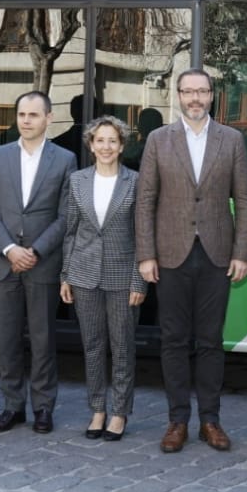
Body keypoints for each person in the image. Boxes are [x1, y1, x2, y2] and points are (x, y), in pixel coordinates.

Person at [134, 67, 247, 454]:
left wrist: (242, 252)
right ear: (178, 96)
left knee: (210, 341)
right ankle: (177, 420)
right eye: (188, 92)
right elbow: (145, 200)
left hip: (218, 254)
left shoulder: (232, 139)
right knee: (172, 341)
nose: (195, 98)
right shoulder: (157, 139)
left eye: (202, 91)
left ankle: (211, 420)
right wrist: (146, 254)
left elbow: (246, 200)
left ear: (212, 95)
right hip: (170, 253)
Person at [0, 90, 75, 434]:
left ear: (49, 118)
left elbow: (66, 214)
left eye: (34, 115)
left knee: (43, 338)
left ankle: (44, 407)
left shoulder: (65, 159)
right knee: (6, 339)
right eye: (21, 115)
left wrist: (35, 251)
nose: (26, 121)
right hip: (2, 262)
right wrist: (9, 248)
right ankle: (12, 405)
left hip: (42, 262)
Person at [60, 115, 146, 441]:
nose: (106, 146)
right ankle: (97, 408)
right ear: (91, 145)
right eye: (100, 140)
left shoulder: (135, 182)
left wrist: (140, 281)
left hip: (123, 277)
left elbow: (143, 235)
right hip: (83, 275)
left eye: (113, 140)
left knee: (122, 348)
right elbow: (71, 231)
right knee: (92, 346)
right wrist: (65, 275)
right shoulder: (77, 180)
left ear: (122, 145)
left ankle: (120, 412)